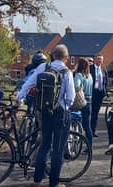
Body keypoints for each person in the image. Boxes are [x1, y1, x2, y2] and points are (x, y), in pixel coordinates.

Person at [17, 44, 75, 187]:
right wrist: (64, 105)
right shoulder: (66, 72)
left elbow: (28, 84)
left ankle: (37, 181)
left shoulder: (43, 68)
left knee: (44, 146)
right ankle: (54, 183)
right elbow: (71, 97)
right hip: (60, 113)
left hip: (45, 112)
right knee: (58, 149)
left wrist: (20, 98)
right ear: (66, 58)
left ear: (53, 55)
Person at [74, 58, 93, 145]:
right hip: (89, 101)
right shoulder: (90, 76)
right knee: (87, 126)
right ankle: (89, 145)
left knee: (77, 122)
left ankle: (76, 143)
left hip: (81, 101)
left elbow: (76, 86)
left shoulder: (79, 75)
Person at [90, 54, 108, 137]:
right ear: (94, 60)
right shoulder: (90, 69)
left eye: (101, 59)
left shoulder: (104, 70)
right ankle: (88, 130)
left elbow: (105, 82)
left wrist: (105, 92)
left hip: (99, 93)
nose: (99, 61)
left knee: (95, 113)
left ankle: (93, 130)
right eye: (98, 59)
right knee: (90, 112)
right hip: (91, 93)